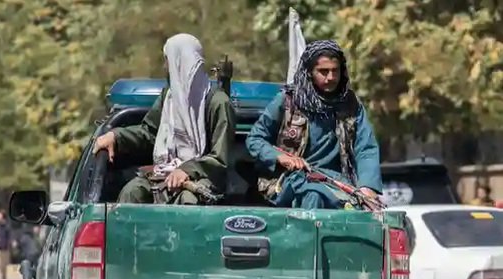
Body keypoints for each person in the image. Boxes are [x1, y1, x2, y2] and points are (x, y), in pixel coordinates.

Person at [92, 33, 236, 204]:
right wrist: (116, 137)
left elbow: (220, 158)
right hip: (164, 174)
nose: (165, 66)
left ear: (180, 61)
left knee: (189, 200)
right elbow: (150, 133)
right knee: (133, 192)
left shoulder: (217, 102)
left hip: (202, 178)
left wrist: (187, 170)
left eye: (167, 60)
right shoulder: (169, 97)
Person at [245, 40, 382, 209]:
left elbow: (366, 148)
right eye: (323, 72)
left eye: (335, 71)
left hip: (336, 183)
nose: (331, 77)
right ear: (309, 72)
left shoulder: (350, 104)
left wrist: (367, 186)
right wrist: (281, 157)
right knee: (314, 194)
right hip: (292, 180)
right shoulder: (288, 101)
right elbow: (255, 139)